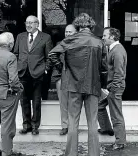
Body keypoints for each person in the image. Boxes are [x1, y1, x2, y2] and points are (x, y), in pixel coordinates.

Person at [48, 13, 108, 156]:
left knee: (73, 121)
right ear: (91, 26)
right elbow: (104, 68)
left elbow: (52, 54)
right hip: (93, 85)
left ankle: (71, 154)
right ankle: (94, 154)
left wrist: (64, 66)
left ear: (77, 25)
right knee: (92, 122)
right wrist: (103, 86)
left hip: (73, 85)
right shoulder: (99, 42)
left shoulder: (70, 40)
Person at [13, 15, 53, 135]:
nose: (28, 25)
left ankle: (35, 126)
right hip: (22, 72)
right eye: (27, 23)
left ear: (37, 24)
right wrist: (16, 68)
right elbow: (15, 54)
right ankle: (26, 125)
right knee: (23, 100)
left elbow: (49, 57)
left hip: (38, 73)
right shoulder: (20, 36)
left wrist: (45, 69)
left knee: (36, 101)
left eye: (31, 23)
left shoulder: (45, 37)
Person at [98, 27, 127, 150]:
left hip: (115, 88)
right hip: (112, 87)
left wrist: (112, 89)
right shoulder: (113, 49)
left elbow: (119, 74)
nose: (103, 38)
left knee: (116, 115)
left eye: (105, 35)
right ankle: (106, 129)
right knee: (99, 106)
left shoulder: (117, 51)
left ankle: (120, 142)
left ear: (112, 37)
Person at [0, 32, 24, 156]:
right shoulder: (10, 56)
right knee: (7, 126)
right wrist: (18, 88)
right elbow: (13, 80)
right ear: (10, 44)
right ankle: (7, 152)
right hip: (6, 95)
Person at [51, 24, 77, 136]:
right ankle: (65, 126)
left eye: (70, 32)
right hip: (61, 78)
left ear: (76, 33)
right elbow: (52, 55)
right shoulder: (59, 45)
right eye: (66, 32)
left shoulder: (79, 45)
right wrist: (61, 68)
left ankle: (73, 126)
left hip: (75, 79)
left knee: (74, 103)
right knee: (63, 103)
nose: (67, 34)